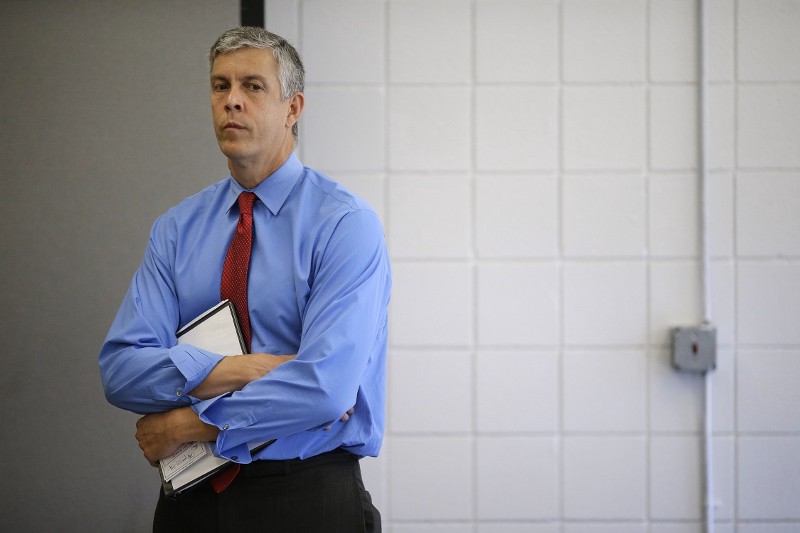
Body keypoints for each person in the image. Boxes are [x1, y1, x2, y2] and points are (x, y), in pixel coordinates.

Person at [98, 26, 390, 532]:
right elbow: (121, 372)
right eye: (220, 86)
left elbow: (326, 390)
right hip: (190, 504)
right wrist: (245, 369)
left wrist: (191, 424)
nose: (231, 100)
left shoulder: (344, 224)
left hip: (307, 493)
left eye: (252, 86)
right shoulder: (176, 229)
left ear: (293, 108)